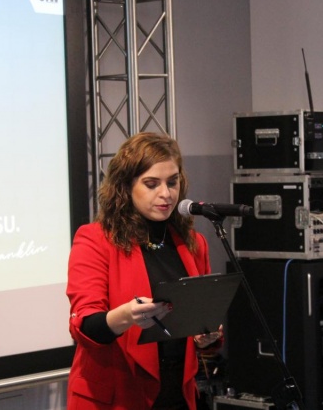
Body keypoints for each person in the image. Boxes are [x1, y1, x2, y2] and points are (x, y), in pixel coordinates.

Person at [66, 132, 222, 410]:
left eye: (172, 182)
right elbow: (85, 326)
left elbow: (196, 323)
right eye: (151, 184)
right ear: (125, 187)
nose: (166, 194)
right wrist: (127, 316)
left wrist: (205, 338)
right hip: (117, 397)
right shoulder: (95, 240)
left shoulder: (193, 243)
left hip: (177, 394)